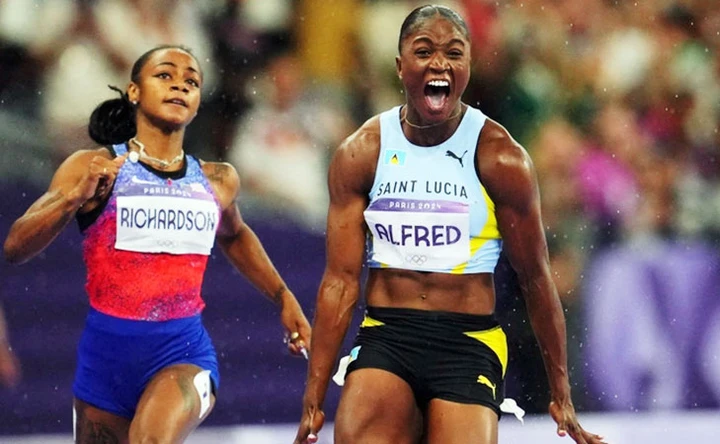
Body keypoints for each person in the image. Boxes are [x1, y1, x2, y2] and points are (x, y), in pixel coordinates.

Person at [294, 5, 606, 444]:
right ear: (400, 65)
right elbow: (340, 283)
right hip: (388, 335)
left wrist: (561, 393)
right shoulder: (362, 152)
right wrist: (313, 397)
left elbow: (536, 278)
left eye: (454, 53)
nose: (439, 63)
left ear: (468, 66)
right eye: (424, 51)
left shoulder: (501, 158)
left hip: (468, 342)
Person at [3, 45, 312, 444]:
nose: (179, 86)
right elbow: (15, 247)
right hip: (104, 362)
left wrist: (283, 297)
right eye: (165, 75)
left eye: (191, 81)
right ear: (134, 91)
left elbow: (235, 234)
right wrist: (73, 198)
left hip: (182, 352)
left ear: (198, 102)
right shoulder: (92, 167)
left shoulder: (216, 179)